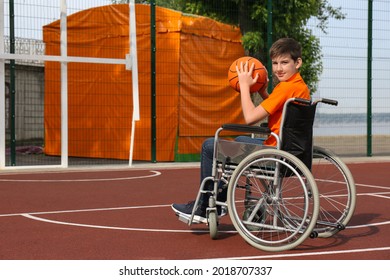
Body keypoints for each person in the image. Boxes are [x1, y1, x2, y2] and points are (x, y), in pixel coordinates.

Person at [171, 37, 310, 223]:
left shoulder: (285, 88)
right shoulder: (299, 87)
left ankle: (204, 206)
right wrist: (262, 93)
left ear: (298, 62)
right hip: (289, 149)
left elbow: (251, 118)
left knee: (209, 146)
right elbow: (280, 110)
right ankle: (220, 199)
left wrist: (244, 86)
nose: (278, 68)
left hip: (274, 152)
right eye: (275, 63)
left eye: (284, 63)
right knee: (239, 142)